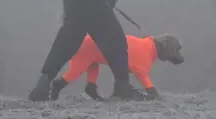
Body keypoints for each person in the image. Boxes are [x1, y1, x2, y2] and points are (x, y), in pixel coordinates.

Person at [49, 33, 184, 101]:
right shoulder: (145, 51)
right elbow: (140, 72)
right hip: (89, 46)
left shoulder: (146, 47)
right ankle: (58, 85)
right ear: (167, 48)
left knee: (93, 63)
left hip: (93, 46)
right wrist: (151, 91)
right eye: (175, 51)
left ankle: (91, 88)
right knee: (76, 71)